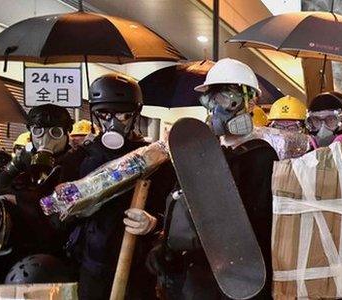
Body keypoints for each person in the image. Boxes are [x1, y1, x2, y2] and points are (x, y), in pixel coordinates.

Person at [150, 58, 277, 299]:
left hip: (239, 279)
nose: (216, 109)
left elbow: (258, 224)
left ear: (250, 102)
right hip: (197, 276)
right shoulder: (200, 153)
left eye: (226, 98)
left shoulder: (261, 155)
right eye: (211, 99)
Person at [57, 73, 175, 299]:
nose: (113, 122)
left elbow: (171, 211)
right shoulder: (78, 159)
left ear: (135, 114)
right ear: (94, 114)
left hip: (138, 267)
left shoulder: (154, 158)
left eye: (123, 114)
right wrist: (75, 207)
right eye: (104, 114)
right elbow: (57, 220)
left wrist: (153, 222)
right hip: (91, 265)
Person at [0, 104, 74, 258]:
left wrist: (18, 199)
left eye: (55, 132)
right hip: (21, 241)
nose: (45, 140)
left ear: (67, 134)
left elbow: (63, 208)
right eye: (38, 132)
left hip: (56, 246)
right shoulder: (24, 157)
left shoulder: (75, 161)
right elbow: (3, 184)